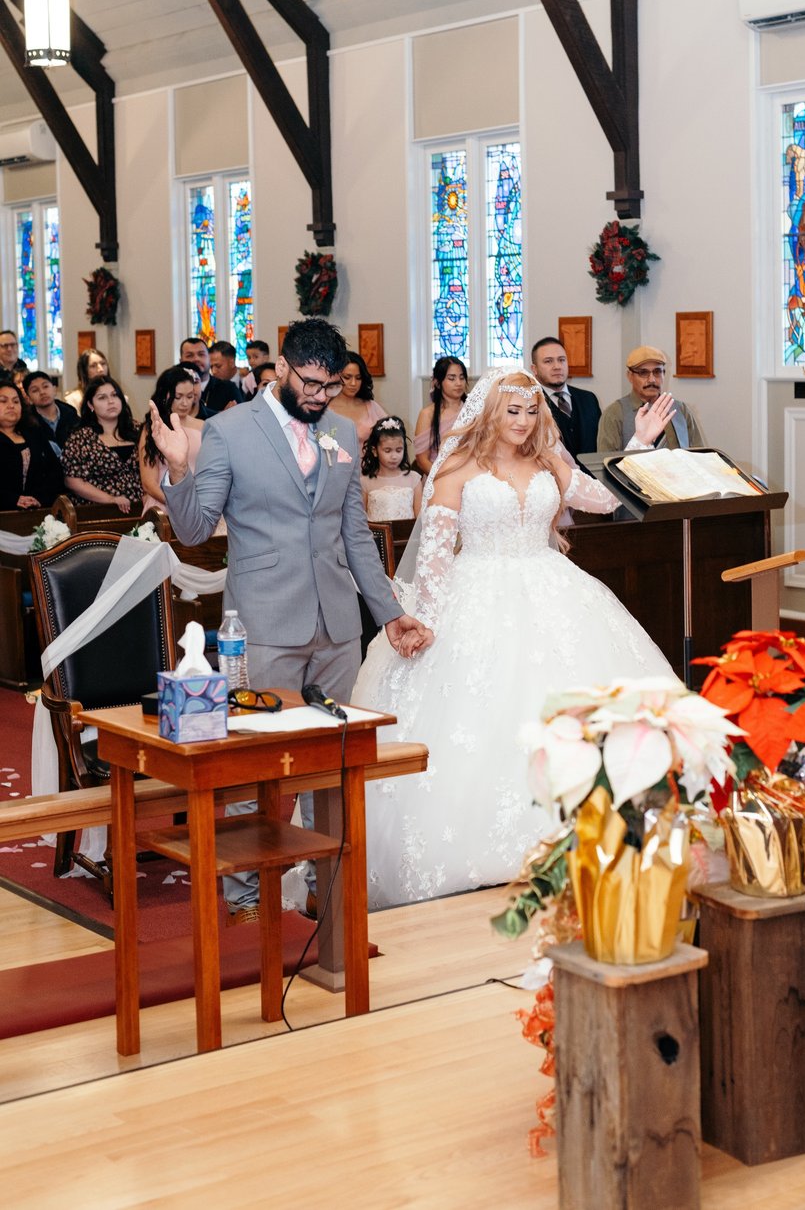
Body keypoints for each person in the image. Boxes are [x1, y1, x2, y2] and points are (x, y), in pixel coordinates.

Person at [352, 367, 683, 910]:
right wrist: (425, 620)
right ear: (489, 411)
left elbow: (602, 499)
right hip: (476, 595)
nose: (524, 422)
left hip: (555, 590)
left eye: (532, 411)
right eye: (513, 411)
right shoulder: (456, 467)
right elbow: (434, 555)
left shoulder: (548, 458)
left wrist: (639, 444)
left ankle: (587, 835)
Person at [148, 317, 431, 920]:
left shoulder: (342, 432)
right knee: (255, 766)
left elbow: (355, 533)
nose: (320, 397)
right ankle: (246, 898)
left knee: (333, 765)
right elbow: (194, 530)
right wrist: (178, 471)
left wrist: (389, 614)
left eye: (331, 386)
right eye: (310, 383)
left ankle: (326, 895)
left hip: (336, 627)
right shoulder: (229, 431)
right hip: (264, 623)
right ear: (280, 368)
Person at [597, 345, 707, 452]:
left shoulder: (680, 410)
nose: (652, 380)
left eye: (657, 372)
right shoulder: (614, 414)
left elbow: (700, 455)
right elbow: (605, 461)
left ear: (664, 374)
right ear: (630, 376)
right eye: (643, 373)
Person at [61, 376, 143, 514]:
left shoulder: (139, 430)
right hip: (98, 509)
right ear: (90, 405)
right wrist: (111, 499)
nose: (111, 401)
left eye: (114, 395)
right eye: (102, 398)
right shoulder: (80, 438)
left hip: (140, 505)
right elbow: (72, 481)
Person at [139, 365, 205, 512]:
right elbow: (149, 483)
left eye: (190, 396)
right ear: (165, 395)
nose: (185, 403)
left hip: (198, 503)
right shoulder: (154, 427)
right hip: (163, 504)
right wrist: (178, 505)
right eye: (178, 397)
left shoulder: (202, 426)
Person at [530, 336, 601, 459]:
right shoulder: (530, 403)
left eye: (561, 360)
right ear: (534, 369)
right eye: (548, 361)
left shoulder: (589, 399)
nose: (557, 366)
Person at [0, 379, 63, 510]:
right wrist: (13, 499)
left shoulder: (34, 433)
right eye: (3, 401)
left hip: (38, 509)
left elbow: (55, 471)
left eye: (16, 401)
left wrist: (39, 498)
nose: (11, 406)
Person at [413, 357, 468, 476]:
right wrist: (444, 478)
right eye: (451, 378)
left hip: (469, 474)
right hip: (437, 476)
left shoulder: (473, 410)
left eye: (462, 377)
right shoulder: (427, 414)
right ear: (437, 382)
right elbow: (422, 460)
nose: (458, 383)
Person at [361, 416, 423, 521]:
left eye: (398, 450)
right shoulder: (365, 482)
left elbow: (419, 520)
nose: (394, 456)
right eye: (387, 451)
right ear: (375, 451)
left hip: (408, 532)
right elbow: (360, 519)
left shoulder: (414, 479)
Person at [325, 349, 386, 447]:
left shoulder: (372, 407)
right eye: (347, 377)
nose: (353, 383)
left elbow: (392, 436)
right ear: (336, 377)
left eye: (358, 378)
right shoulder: (325, 408)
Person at [179, 336, 241, 418]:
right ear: (181, 360)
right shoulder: (171, 387)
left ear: (209, 358)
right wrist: (221, 416)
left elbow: (240, 418)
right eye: (190, 355)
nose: (196, 359)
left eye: (201, 354)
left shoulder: (228, 388)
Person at [22, 370, 80, 450]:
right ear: (28, 399)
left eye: (45, 386)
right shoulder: (27, 423)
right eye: (35, 390)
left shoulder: (71, 415)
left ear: (54, 389)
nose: (42, 392)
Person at [62, 347, 110, 415]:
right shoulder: (73, 400)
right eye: (93, 366)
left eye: (103, 364)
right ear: (85, 372)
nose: (101, 369)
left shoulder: (116, 395)